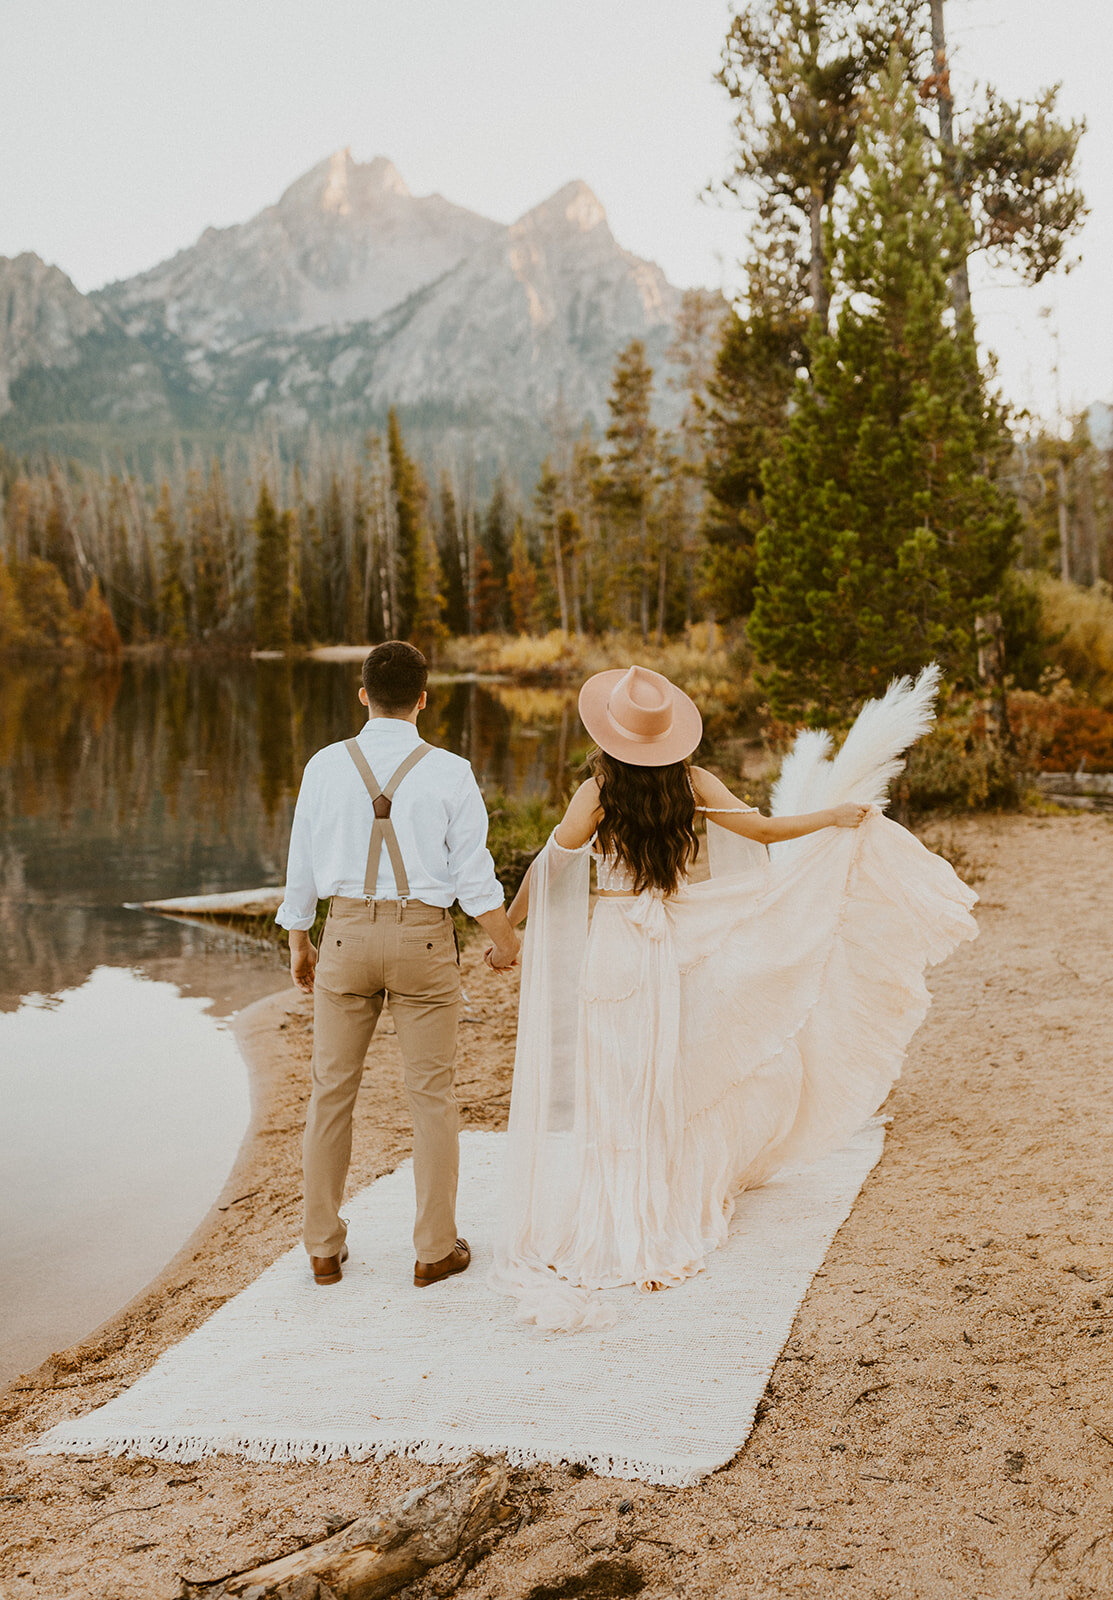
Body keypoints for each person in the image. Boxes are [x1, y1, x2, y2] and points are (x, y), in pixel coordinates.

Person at [490, 662, 978, 1330]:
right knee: (670, 1067)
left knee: (616, 1074)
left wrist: (503, 933)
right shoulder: (693, 782)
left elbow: (549, 868)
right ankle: (666, 1194)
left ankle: (618, 1206)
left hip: (616, 943)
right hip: (674, 937)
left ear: (610, 734)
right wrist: (832, 816)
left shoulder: (595, 789)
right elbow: (766, 833)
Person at [276, 641, 520, 1289]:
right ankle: (434, 1249)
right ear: (423, 697)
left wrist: (299, 940)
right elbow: (473, 876)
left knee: (330, 1093)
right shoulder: (450, 770)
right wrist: (503, 939)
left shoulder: (324, 766)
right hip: (423, 941)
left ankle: (323, 1248)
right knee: (432, 1097)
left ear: (362, 695)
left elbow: (301, 863)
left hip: (345, 938)